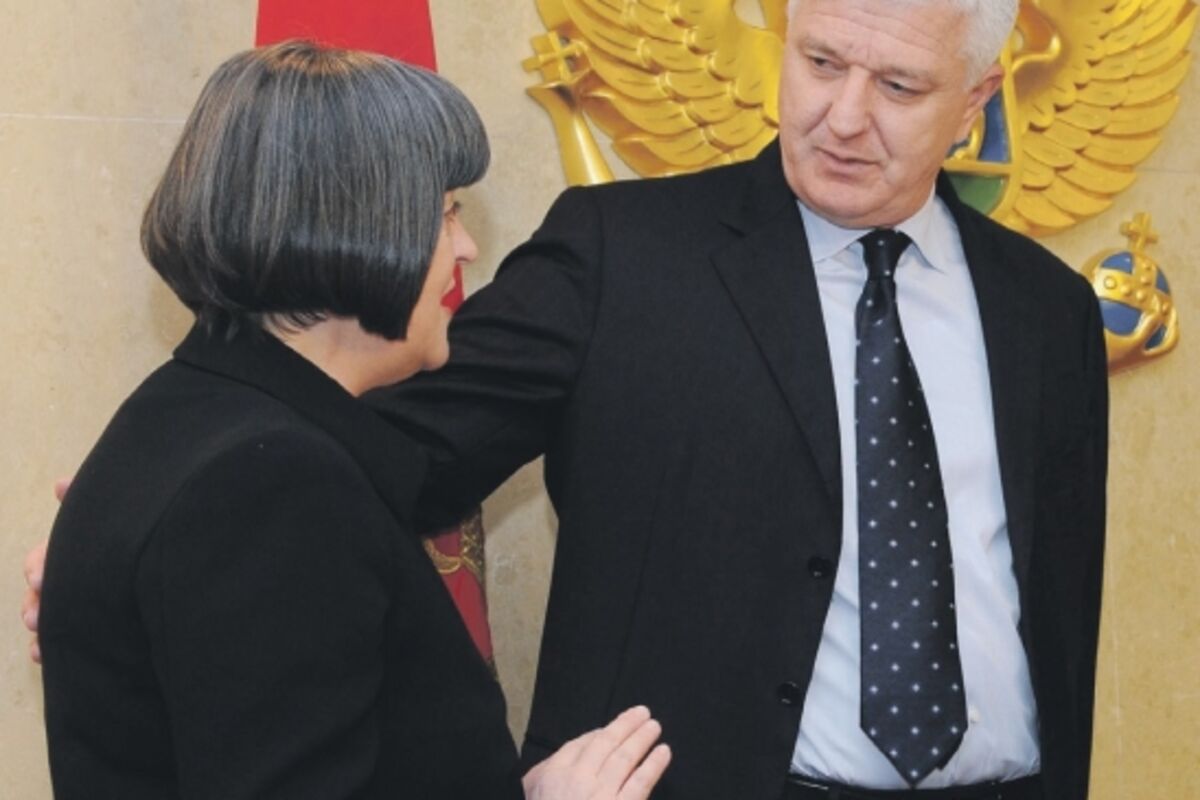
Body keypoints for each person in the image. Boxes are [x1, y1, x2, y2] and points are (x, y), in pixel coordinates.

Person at [25, 0, 1108, 797]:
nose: (844, 115)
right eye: (820, 61)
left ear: (974, 101)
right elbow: (359, 441)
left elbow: (1054, 608)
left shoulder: (1047, 312)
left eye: (900, 87)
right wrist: (153, 550)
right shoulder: (621, 255)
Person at [31, 40, 669, 800]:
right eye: (446, 215)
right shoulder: (275, 483)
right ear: (362, 230)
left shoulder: (190, 411)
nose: (466, 248)